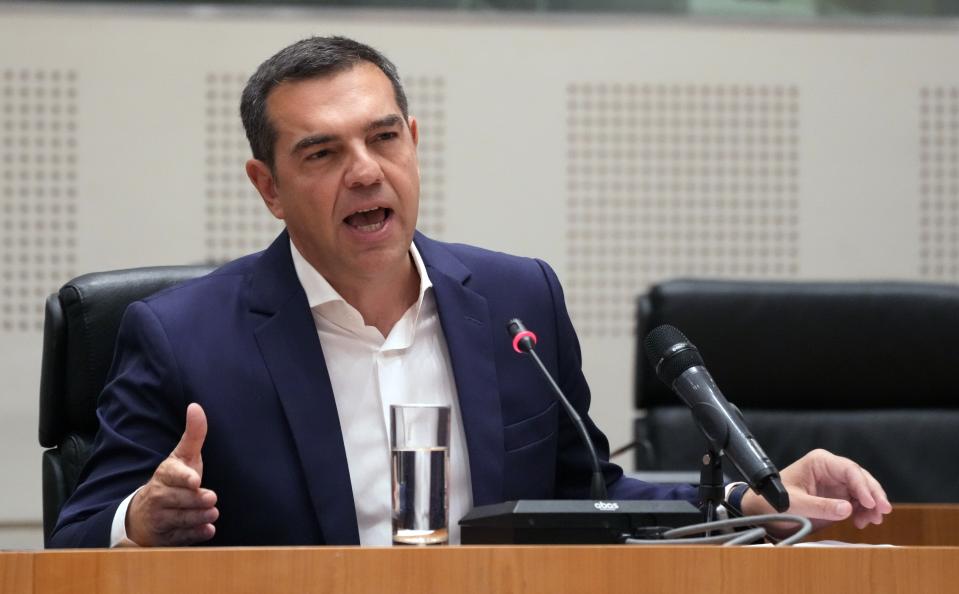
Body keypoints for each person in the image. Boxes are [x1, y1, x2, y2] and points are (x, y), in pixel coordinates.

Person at [50, 36, 891, 548]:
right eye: (321, 154)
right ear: (267, 186)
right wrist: (139, 523)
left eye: (384, 138)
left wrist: (754, 493)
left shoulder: (515, 298)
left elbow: (585, 493)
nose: (366, 172)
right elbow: (77, 538)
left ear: (413, 143)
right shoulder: (182, 335)